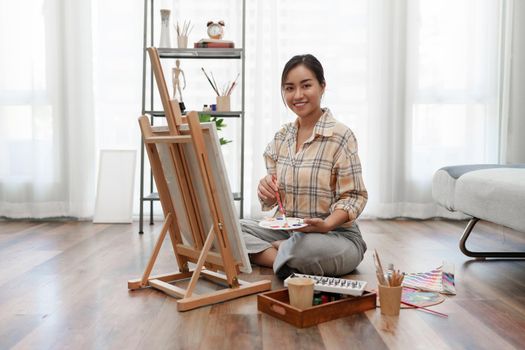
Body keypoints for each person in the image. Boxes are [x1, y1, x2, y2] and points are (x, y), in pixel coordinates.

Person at [241, 54, 368, 279]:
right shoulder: (281, 138)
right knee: (223, 230)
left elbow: (354, 197)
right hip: (285, 231)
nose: (297, 95)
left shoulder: (341, 136)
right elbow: (274, 198)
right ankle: (283, 257)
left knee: (306, 249)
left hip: (334, 237)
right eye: (289, 88)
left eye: (306, 85)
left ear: (322, 87)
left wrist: (327, 224)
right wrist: (267, 190)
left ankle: (281, 254)